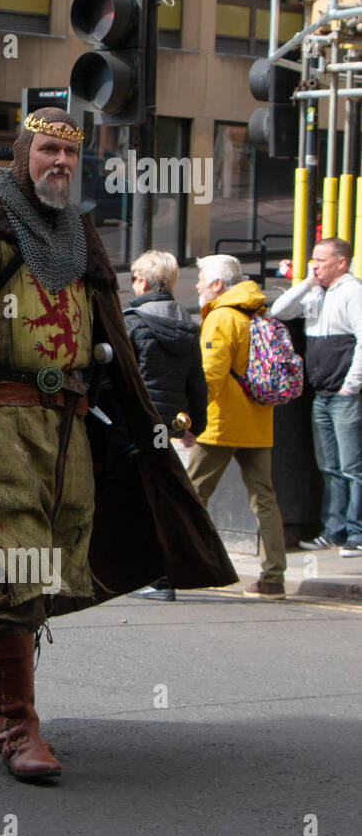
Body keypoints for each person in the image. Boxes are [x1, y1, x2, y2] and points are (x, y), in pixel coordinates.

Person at [0, 109, 233, 781]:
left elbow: (110, 347)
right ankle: (17, 724)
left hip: (67, 426)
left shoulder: (81, 241)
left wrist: (129, 427)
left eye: (71, 155)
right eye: (47, 152)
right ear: (22, 156)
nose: (60, 164)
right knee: (24, 558)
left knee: (53, 558)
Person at [187, 254, 288, 598]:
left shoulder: (221, 318)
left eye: (201, 278)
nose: (197, 284)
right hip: (258, 423)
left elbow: (210, 376)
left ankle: (179, 567)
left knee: (188, 495)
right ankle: (273, 578)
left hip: (219, 424)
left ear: (218, 284)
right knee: (265, 500)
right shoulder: (257, 313)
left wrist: (189, 418)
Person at [122, 249, 208, 600]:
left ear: (143, 281)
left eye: (134, 278)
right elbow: (197, 382)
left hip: (137, 423)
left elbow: (121, 378)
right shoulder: (187, 323)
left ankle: (152, 576)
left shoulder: (133, 321)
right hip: (172, 424)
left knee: (137, 499)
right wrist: (194, 426)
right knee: (163, 498)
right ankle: (164, 573)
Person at [271, 238, 362, 557]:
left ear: (342, 262)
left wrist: (351, 385)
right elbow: (279, 310)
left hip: (344, 394)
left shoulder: (352, 292)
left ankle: (356, 532)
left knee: (352, 467)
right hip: (321, 394)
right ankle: (333, 529)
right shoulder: (314, 291)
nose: (315, 265)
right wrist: (308, 281)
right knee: (330, 467)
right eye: (313, 259)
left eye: (322, 260)